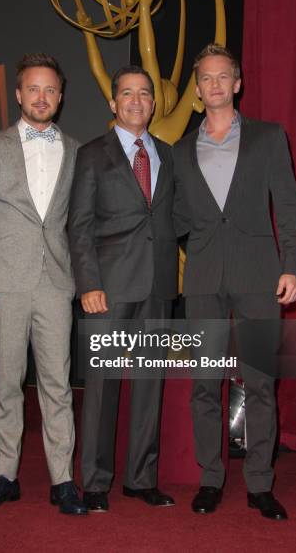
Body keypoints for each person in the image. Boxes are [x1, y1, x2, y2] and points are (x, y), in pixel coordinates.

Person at [173, 44, 296, 520]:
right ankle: (211, 479)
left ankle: (260, 485)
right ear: (198, 87)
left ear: (237, 83)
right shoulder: (181, 149)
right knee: (205, 384)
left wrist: (292, 265)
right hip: (204, 277)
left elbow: (287, 206)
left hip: (260, 274)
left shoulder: (270, 138)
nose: (214, 85)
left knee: (261, 382)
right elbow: (177, 216)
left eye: (222, 77)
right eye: (205, 78)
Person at [0, 53, 87, 515]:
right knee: (7, 384)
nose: (41, 97)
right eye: (33, 89)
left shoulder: (76, 150)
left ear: (60, 97)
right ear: (19, 95)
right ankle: (5, 476)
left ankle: (63, 480)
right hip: (5, 283)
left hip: (55, 283)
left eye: (50, 90)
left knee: (57, 385)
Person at [68, 66, 177, 512]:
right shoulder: (92, 154)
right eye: (127, 94)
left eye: (144, 94)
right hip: (108, 289)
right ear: (113, 103)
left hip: (159, 285)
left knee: (150, 384)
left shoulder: (169, 155)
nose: (136, 100)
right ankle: (95, 483)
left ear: (154, 103)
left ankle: (140, 478)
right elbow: (79, 226)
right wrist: (88, 284)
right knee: (102, 387)